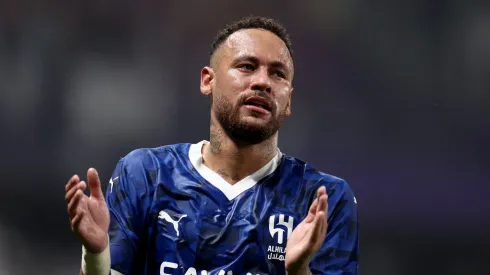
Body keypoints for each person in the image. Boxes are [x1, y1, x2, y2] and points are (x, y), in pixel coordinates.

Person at [65, 15, 359, 275]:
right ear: (208, 81)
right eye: (247, 66)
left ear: (289, 100)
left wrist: (299, 273)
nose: (263, 82)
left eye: (278, 74)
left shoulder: (322, 199)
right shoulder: (146, 175)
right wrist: (95, 255)